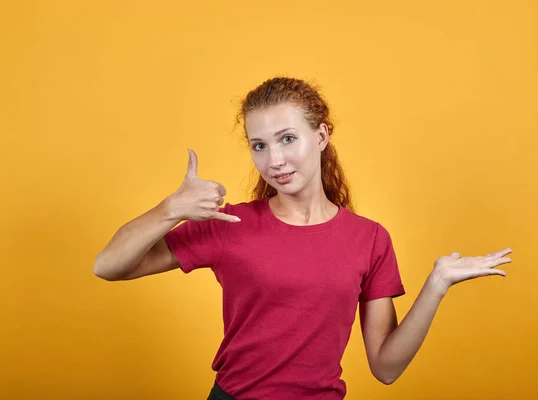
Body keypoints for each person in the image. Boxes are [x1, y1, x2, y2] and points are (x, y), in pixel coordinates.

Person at [93, 77, 513, 400]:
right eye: (259, 145)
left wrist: (436, 284)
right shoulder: (227, 224)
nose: (274, 160)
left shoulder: (368, 239)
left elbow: (386, 367)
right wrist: (170, 210)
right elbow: (108, 266)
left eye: (287, 139)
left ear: (322, 136)